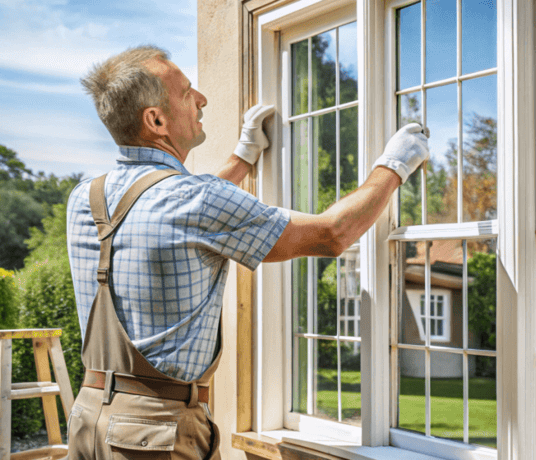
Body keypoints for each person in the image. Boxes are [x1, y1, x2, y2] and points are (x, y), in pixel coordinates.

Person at [64, 45, 428, 460]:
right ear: (156, 119)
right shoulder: (196, 202)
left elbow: (172, 212)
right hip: (155, 433)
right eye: (186, 93)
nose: (201, 98)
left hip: (89, 419)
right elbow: (332, 233)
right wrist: (394, 165)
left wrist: (242, 158)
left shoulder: (85, 198)